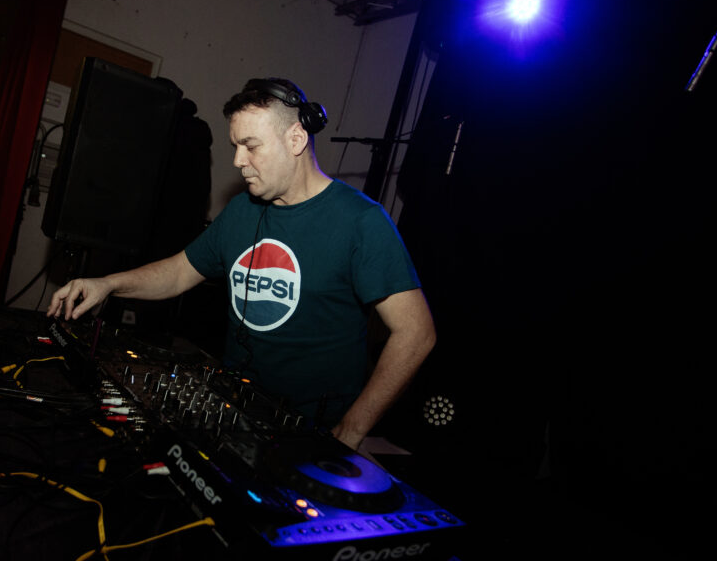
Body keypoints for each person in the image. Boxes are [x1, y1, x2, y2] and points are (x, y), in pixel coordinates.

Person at [47, 78, 435, 450]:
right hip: (232, 413)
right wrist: (108, 284)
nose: (237, 160)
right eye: (235, 146)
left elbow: (416, 334)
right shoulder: (241, 211)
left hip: (309, 432)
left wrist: (350, 431)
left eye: (251, 146)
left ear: (296, 139)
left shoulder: (361, 222)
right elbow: (180, 272)